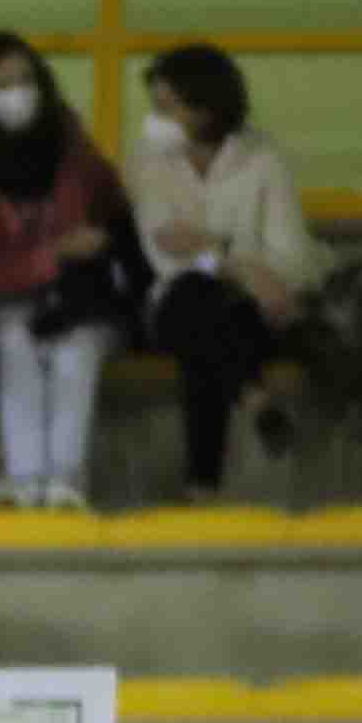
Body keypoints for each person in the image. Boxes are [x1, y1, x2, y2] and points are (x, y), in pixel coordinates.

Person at [0, 28, 132, 511]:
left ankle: (66, 482)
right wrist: (54, 255)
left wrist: (95, 242)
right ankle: (25, 477)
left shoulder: (74, 149)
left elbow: (115, 212)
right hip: (16, 303)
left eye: (25, 79)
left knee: (75, 349)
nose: (18, 94)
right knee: (16, 338)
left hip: (87, 301)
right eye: (2, 84)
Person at [131, 44, 316, 494]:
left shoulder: (263, 159)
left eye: (166, 107)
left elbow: (292, 257)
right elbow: (166, 255)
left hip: (251, 308)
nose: (155, 119)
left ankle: (202, 486)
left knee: (207, 335)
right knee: (195, 298)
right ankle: (253, 400)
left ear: (204, 107)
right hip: (175, 301)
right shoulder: (148, 160)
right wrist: (240, 264)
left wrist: (216, 247)